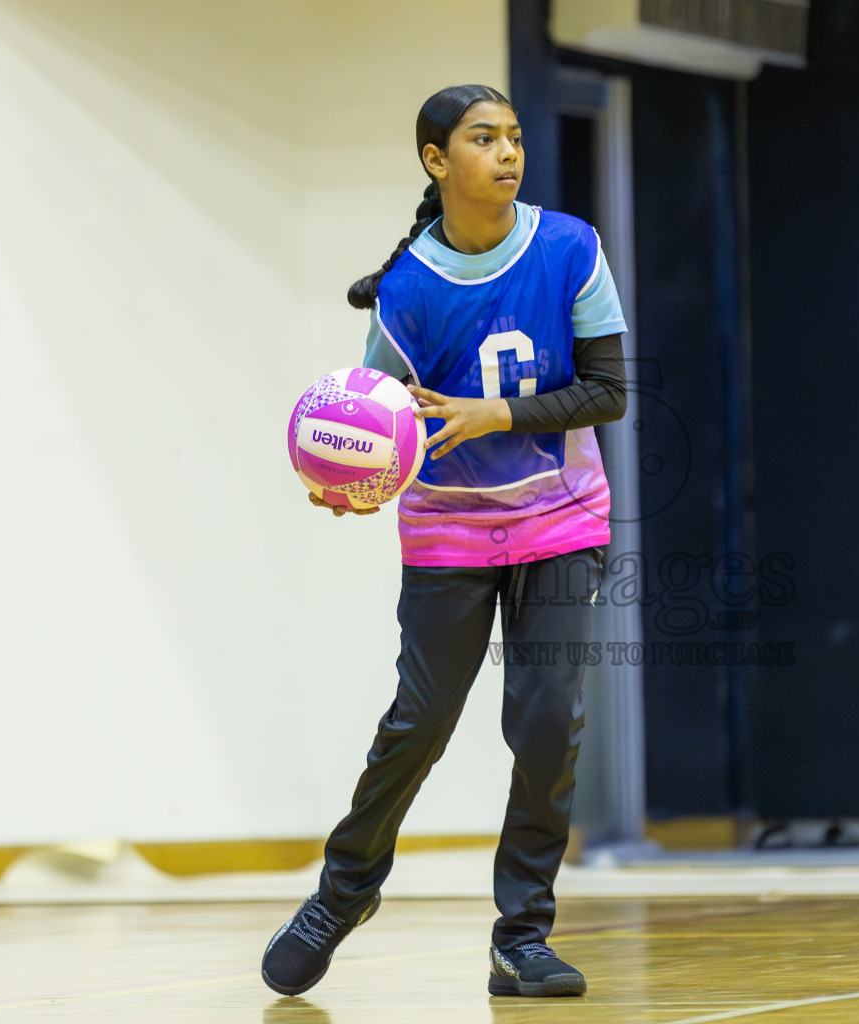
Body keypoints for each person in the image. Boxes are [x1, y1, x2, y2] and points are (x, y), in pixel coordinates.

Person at [261, 84, 628, 1000]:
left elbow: (610, 390)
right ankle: (342, 894)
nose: (507, 152)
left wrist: (496, 412)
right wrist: (346, 485)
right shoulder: (410, 289)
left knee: (548, 724)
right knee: (419, 723)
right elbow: (373, 422)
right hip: (449, 532)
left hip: (559, 518)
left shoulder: (570, 247)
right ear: (436, 161)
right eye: (482, 139)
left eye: (513, 137)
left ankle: (522, 936)